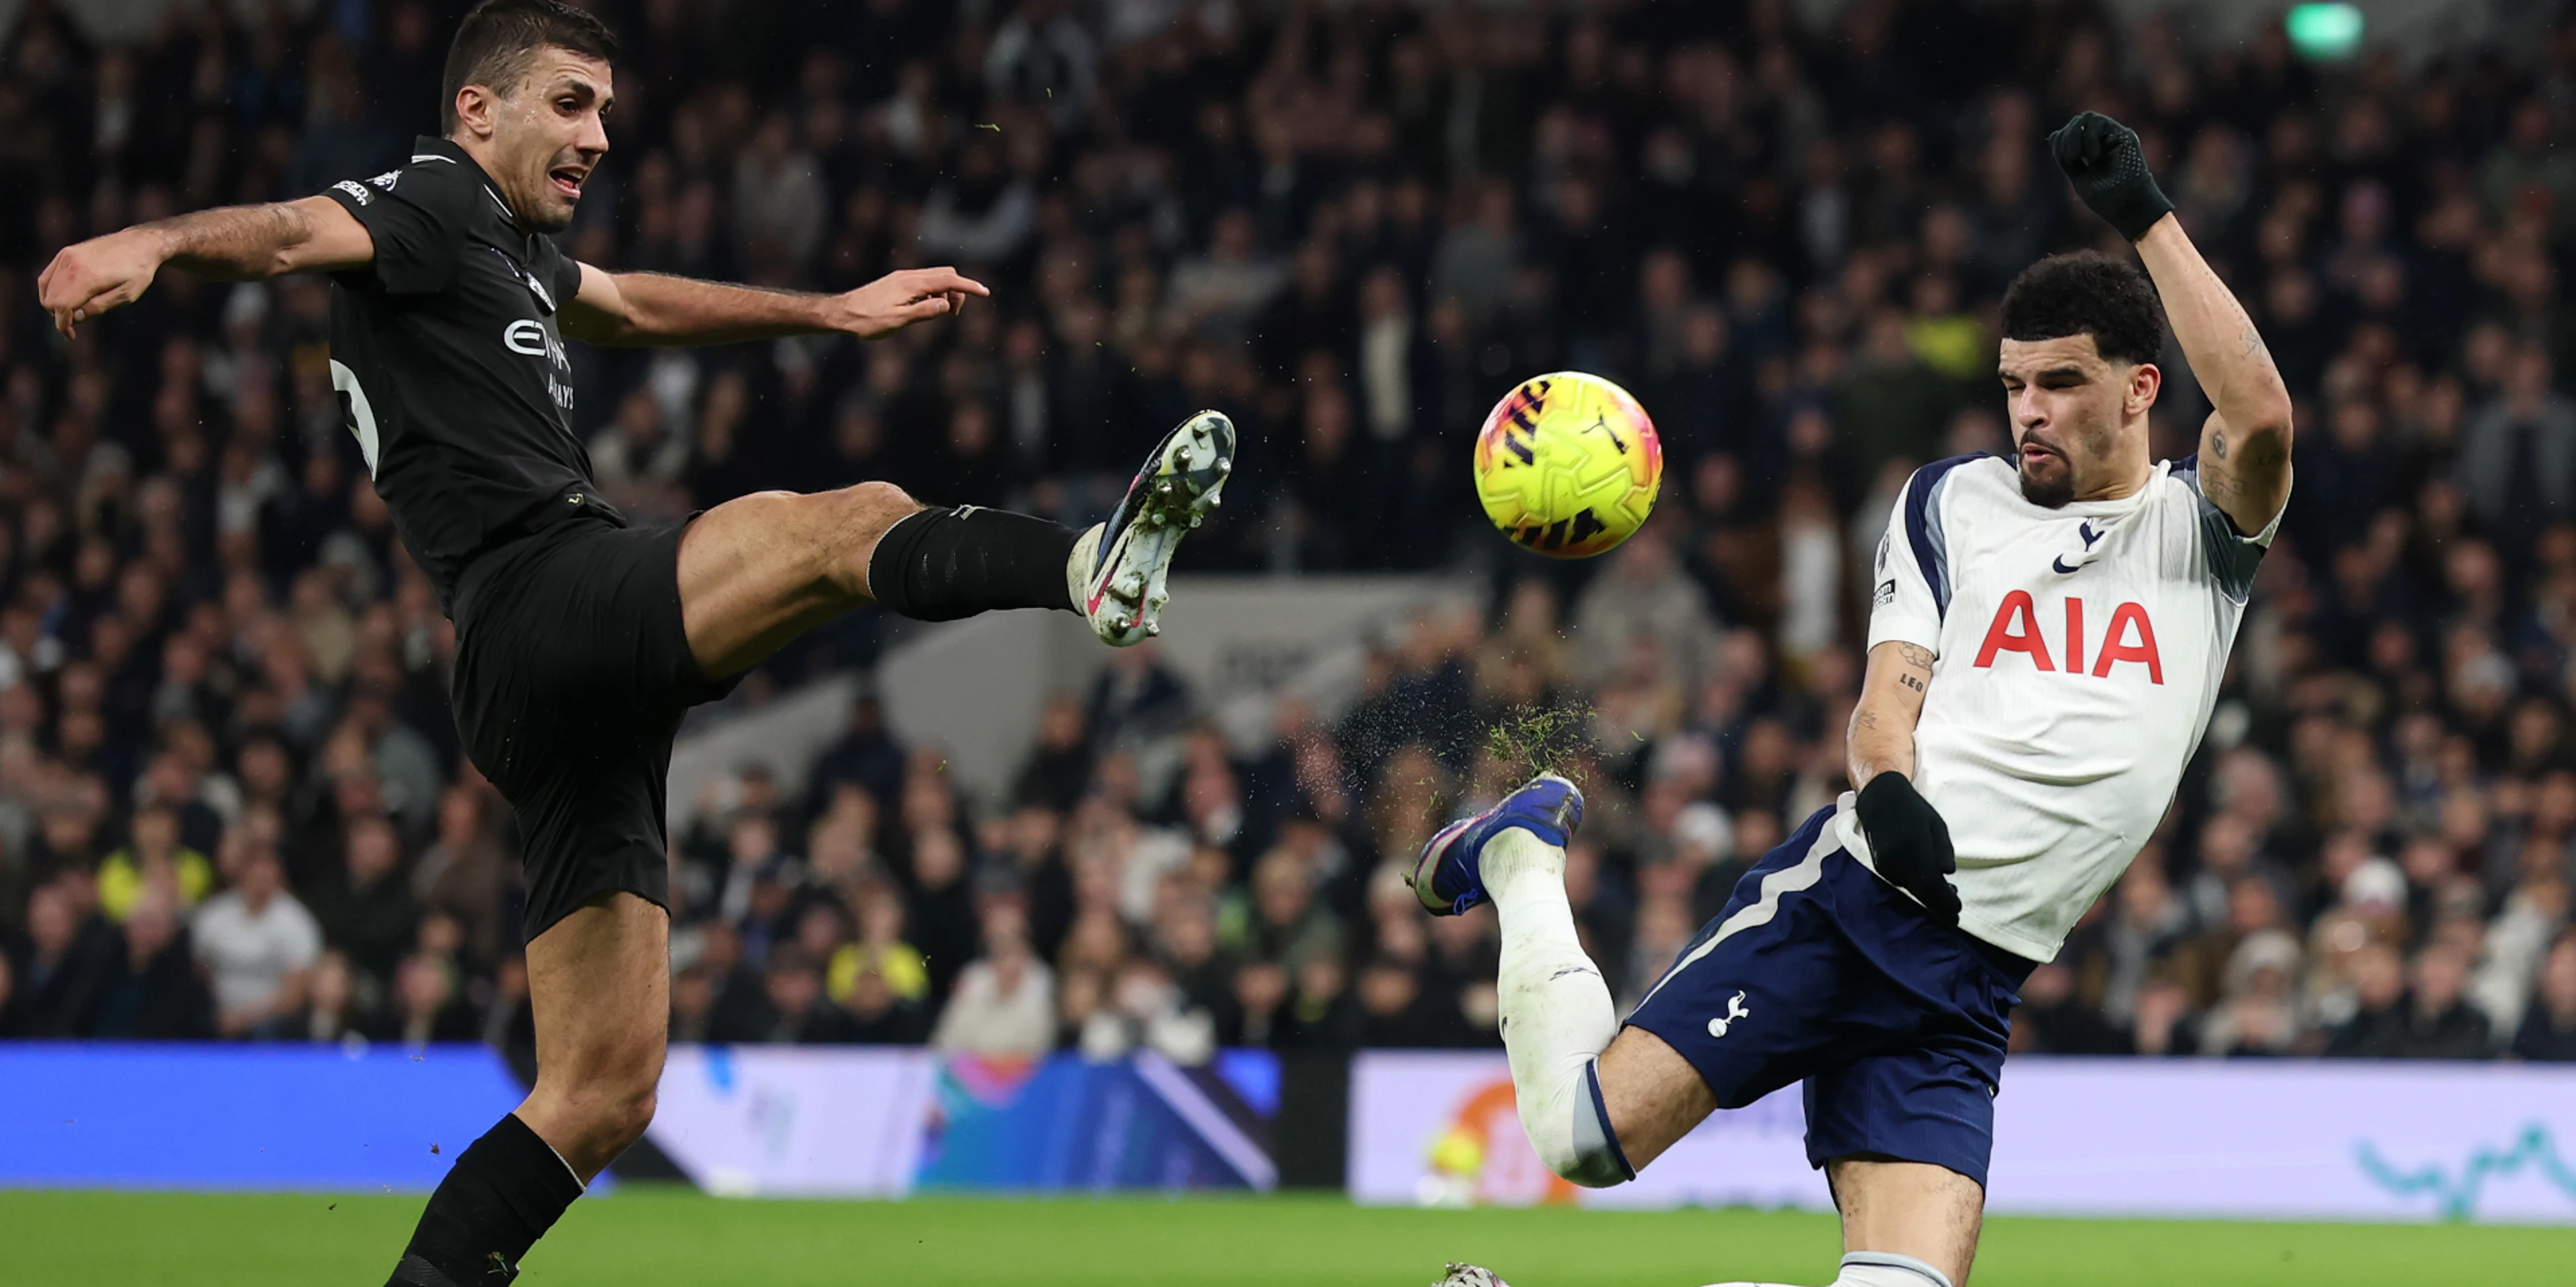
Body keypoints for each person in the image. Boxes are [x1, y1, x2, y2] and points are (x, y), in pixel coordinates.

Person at [33, 3, 1232, 1284]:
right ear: (477, 110)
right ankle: (1080, 564)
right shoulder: (432, 195)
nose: (598, 134)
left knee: (601, 1089)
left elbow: (629, 305)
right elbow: (287, 236)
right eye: (569, 102)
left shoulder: (504, 247)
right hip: (540, 594)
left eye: (603, 108)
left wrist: (827, 312)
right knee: (850, 525)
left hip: (540, 682)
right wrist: (150, 239)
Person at [1417, 113, 2293, 1287]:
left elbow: (2266, 415)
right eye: (2013, 384)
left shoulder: (2200, 531)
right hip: (1855, 907)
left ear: (2142, 390)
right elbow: (1889, 697)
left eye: (2060, 383)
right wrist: (1886, 794)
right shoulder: (1952, 500)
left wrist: (2145, 218)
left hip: (1976, 980)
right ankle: (1523, 854)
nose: (2027, 408)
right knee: (1582, 1136)